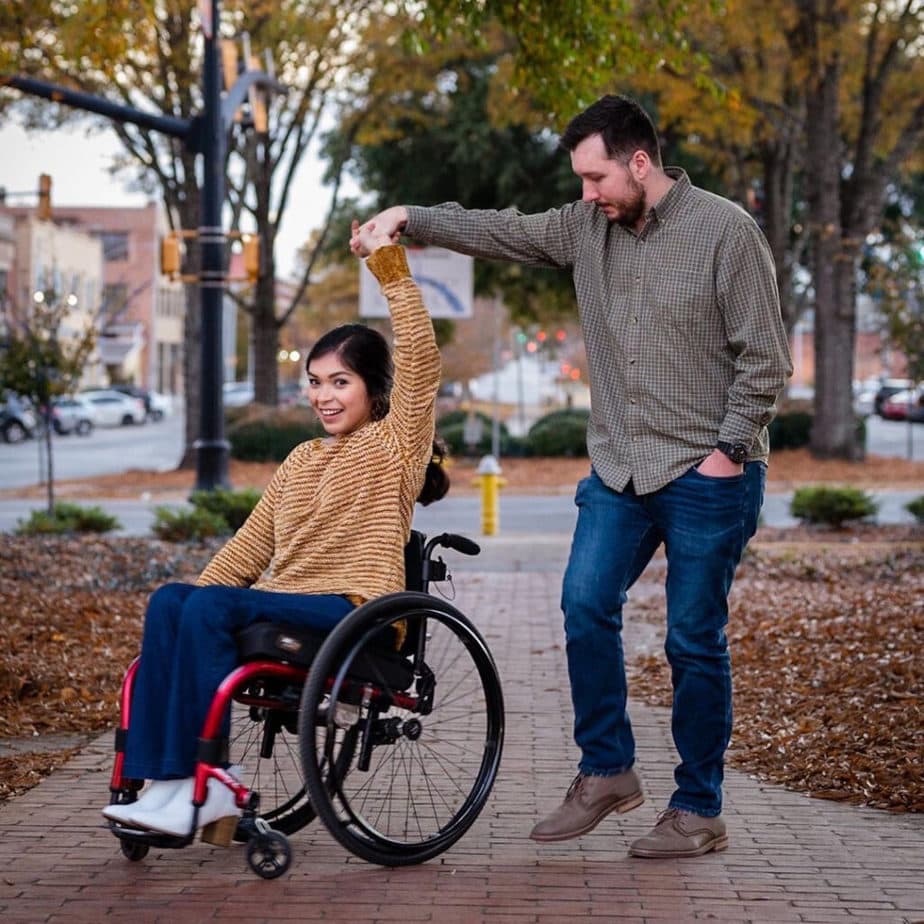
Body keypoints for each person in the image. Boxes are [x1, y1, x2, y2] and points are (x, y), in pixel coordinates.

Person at [351, 95, 792, 859]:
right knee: (584, 603)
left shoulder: (726, 232)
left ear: (640, 162)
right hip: (619, 470)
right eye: (582, 180)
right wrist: (409, 217)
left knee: (692, 640)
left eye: (596, 177)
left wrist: (727, 451)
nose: (587, 193)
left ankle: (698, 809)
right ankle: (607, 770)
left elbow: (766, 360)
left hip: (707, 473)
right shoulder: (586, 228)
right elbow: (500, 229)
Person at [102, 224, 446, 843]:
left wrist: (388, 266)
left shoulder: (396, 447)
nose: (323, 396)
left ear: (373, 388)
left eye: (340, 381)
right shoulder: (302, 459)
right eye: (315, 381)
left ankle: (206, 782)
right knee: (172, 600)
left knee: (206, 607)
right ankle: (167, 783)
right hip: (290, 602)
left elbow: (422, 360)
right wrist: (193, 604)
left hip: (353, 609)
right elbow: (248, 548)